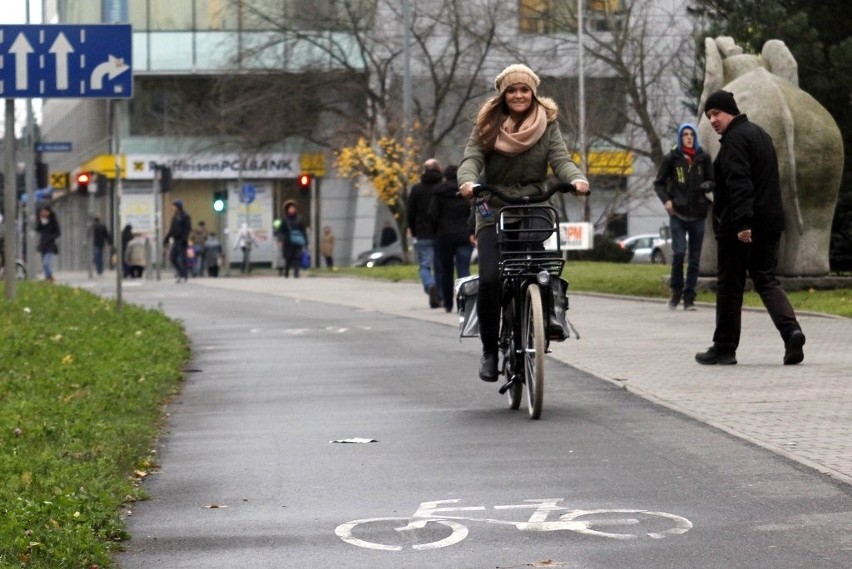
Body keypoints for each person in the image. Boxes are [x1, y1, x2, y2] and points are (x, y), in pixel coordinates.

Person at [457, 63, 590, 381]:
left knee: (543, 270)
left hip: (534, 205)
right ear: (503, 94)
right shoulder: (487, 125)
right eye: (512, 90)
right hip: (494, 208)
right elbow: (472, 157)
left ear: (533, 93)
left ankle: (548, 318)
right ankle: (490, 350)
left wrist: (576, 178)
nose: (519, 95)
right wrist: (467, 181)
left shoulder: (548, 123)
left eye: (524, 89)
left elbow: (560, 158)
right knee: (490, 279)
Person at [695, 90, 805, 366]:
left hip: (740, 228)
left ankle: (724, 348)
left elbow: (741, 185)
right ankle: (791, 332)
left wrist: (743, 224)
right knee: (766, 278)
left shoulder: (734, 141)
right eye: (709, 116)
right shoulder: (760, 135)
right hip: (770, 223)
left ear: (730, 110)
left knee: (729, 285)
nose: (712, 120)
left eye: (716, 113)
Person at [653, 123, 714, 310]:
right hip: (677, 213)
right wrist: (667, 201)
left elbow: (713, 180)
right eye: (685, 135)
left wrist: (708, 186)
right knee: (679, 253)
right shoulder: (672, 158)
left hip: (698, 213)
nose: (689, 137)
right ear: (680, 137)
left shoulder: (703, 158)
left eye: (692, 135)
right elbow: (659, 183)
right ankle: (676, 292)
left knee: (695, 259)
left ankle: (689, 298)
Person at [428, 164, 473, 312]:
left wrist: (436, 231)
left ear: (445, 177)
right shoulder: (465, 193)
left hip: (444, 236)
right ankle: (465, 300)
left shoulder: (438, 192)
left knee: (446, 270)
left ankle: (448, 302)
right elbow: (471, 212)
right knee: (463, 268)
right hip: (463, 234)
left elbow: (432, 215)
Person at [406, 158, 443, 308]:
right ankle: (439, 296)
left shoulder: (417, 189)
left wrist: (413, 230)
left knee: (424, 265)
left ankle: (429, 284)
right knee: (440, 267)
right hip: (440, 232)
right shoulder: (443, 187)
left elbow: (410, 212)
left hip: (423, 232)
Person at [277, 200, 308, 278]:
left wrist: (305, 241)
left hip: (297, 241)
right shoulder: (284, 219)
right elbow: (281, 230)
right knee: (288, 258)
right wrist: (280, 240)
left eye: (293, 208)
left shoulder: (299, 218)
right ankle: (286, 272)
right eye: (290, 208)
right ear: (287, 210)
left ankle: (296, 273)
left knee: (297, 257)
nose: (292, 210)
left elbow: (303, 230)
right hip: (288, 241)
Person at [164, 199, 191, 283]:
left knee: (183, 259)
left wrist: (184, 238)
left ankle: (184, 275)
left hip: (182, 240)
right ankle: (181, 273)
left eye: (174, 206)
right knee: (173, 258)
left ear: (178, 206)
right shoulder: (175, 216)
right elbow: (172, 229)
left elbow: (187, 228)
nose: (173, 207)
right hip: (175, 240)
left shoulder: (185, 216)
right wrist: (167, 238)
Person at [35, 206, 61, 283]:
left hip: (50, 244)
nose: (43, 213)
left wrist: (51, 237)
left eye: (45, 211)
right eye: (42, 211)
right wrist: (40, 221)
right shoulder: (41, 220)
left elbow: (58, 233)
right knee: (44, 263)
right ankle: (47, 278)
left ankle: (50, 276)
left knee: (46, 262)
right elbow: (37, 229)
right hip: (43, 244)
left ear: (49, 212)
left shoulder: (53, 221)